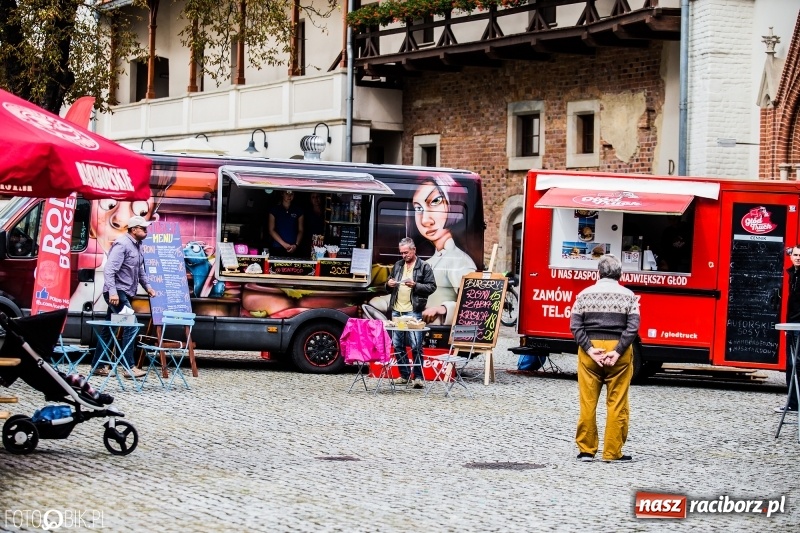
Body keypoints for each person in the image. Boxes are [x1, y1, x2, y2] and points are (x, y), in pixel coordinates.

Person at [569, 254, 640, 462]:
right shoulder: (628, 296)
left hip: (591, 351)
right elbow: (633, 327)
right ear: (620, 274)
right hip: (618, 351)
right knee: (617, 402)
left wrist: (590, 349)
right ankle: (612, 452)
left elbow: (575, 325)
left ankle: (586, 450)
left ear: (598, 273)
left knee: (588, 402)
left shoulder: (584, 294)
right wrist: (617, 350)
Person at [91, 216, 157, 379]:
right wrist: (113, 292)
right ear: (133, 229)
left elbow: (140, 270)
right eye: (143, 228)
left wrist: (148, 287)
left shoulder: (138, 245)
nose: (146, 230)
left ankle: (98, 366)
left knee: (109, 329)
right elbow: (109, 270)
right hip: (117, 294)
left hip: (123, 293)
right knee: (132, 325)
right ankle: (129, 367)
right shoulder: (122, 244)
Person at [412, 175, 476, 325]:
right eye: (418, 208)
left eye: (435, 201)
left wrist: (443, 308)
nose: (425, 220)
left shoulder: (458, 260)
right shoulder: (431, 261)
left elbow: (473, 304)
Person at [385, 237, 436, 388]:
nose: (404, 256)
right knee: (398, 345)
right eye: (401, 253)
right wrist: (389, 284)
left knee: (416, 345)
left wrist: (415, 285)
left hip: (413, 311)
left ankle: (418, 377)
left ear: (414, 250)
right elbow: (388, 283)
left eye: (406, 252)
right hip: (397, 310)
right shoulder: (398, 265)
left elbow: (432, 287)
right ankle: (404, 375)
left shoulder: (424, 266)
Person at [776, 245, 800, 413]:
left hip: (798, 325)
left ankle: (794, 403)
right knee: (791, 365)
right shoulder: (793, 274)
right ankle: (793, 402)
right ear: (791, 256)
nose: (798, 258)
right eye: (796, 255)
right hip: (792, 324)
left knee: (796, 364)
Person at [268, 190, 304, 257]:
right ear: (282, 193)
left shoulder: (298, 210)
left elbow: (301, 230)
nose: (289, 196)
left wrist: (296, 245)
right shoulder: (274, 210)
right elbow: (271, 230)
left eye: (292, 193)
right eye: (287, 193)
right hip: (277, 247)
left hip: (293, 248)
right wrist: (284, 244)